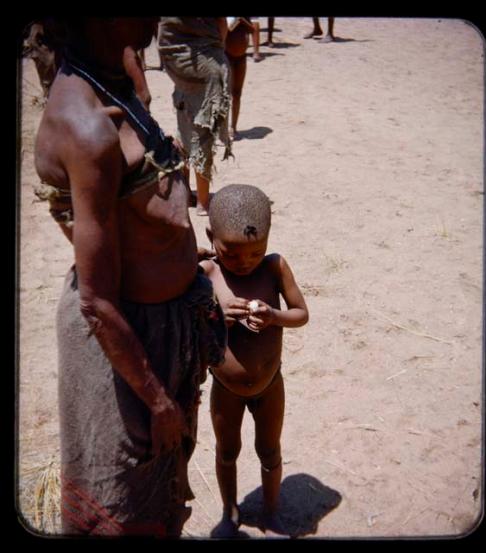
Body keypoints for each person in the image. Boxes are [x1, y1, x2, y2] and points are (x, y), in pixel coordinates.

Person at [33, 17, 227, 537]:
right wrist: (157, 399)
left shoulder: (114, 73)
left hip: (163, 331)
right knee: (122, 515)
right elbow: (96, 301)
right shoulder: (86, 127)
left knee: (162, 496)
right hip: (125, 346)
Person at [199, 184, 309, 537]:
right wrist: (217, 314)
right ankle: (230, 512)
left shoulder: (274, 267)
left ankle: (271, 511)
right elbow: (191, 326)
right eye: (231, 254)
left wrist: (274, 316)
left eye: (254, 252)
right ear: (210, 236)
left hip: (269, 385)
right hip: (225, 389)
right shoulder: (207, 274)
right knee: (227, 450)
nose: (244, 262)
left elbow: (301, 314)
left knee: (269, 450)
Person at [157, 17, 232, 216]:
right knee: (202, 134)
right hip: (206, 63)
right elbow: (222, 25)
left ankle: (184, 193)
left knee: (184, 126)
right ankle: (202, 202)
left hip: (176, 63)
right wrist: (217, 49)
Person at [224, 17, 261, 140]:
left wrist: (241, 20)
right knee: (225, 94)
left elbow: (253, 29)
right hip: (226, 56)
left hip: (241, 58)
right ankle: (222, 128)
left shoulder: (244, 18)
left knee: (237, 93)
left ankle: (233, 127)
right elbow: (221, 32)